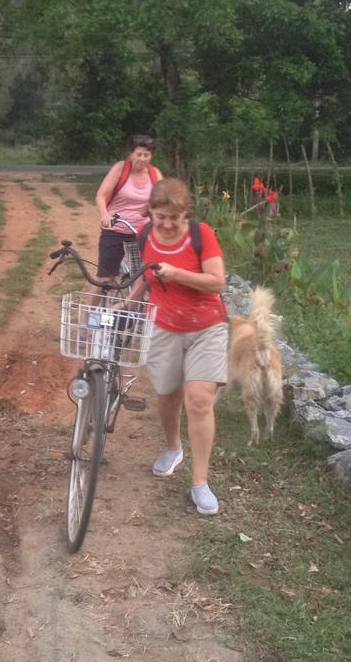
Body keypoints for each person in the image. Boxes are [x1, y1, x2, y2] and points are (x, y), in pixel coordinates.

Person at [131, 178, 228, 515]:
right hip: (164, 325)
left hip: (207, 326)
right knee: (167, 394)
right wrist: (127, 304)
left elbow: (217, 282)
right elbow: (146, 276)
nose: (168, 224)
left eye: (176, 217)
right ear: (151, 214)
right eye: (161, 217)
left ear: (186, 213)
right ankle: (173, 448)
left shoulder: (202, 234)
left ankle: (200, 483)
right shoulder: (145, 234)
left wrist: (177, 274)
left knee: (199, 400)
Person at [93, 134, 161, 283]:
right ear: (130, 153)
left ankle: (131, 305)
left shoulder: (155, 174)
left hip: (141, 232)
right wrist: (105, 215)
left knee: (142, 276)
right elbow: (101, 195)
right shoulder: (120, 169)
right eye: (139, 154)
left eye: (146, 155)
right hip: (115, 228)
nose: (142, 158)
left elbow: (162, 200)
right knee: (105, 277)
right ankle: (92, 307)